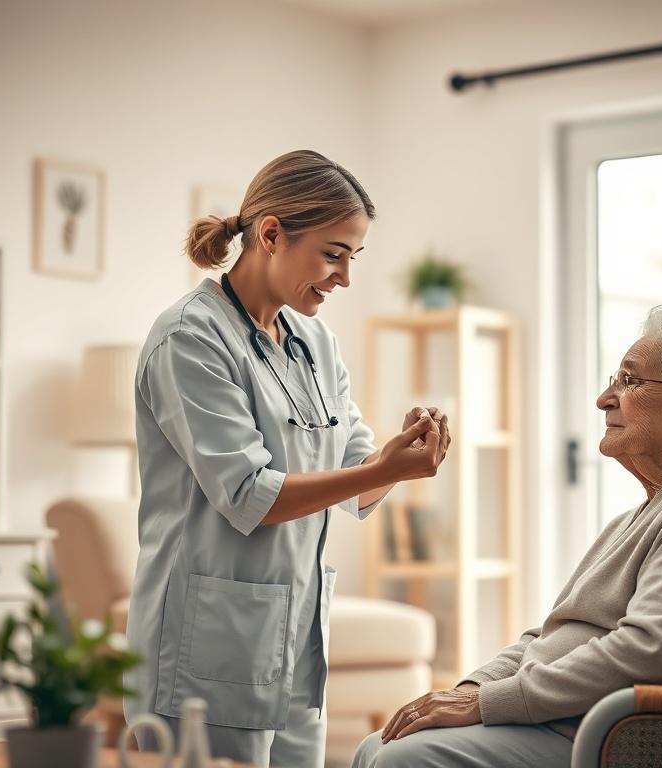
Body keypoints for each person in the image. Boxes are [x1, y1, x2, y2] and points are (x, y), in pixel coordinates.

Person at [353, 306, 662, 768]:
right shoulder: (653, 510)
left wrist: (488, 704)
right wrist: (472, 688)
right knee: (378, 745)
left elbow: (645, 654)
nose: (605, 398)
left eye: (630, 380)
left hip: (626, 740)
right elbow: (552, 633)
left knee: (404, 760)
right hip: (573, 722)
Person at [124, 150, 452, 767]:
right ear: (271, 234)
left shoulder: (315, 341)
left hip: (298, 643)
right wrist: (384, 469)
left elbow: (355, 482)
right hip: (206, 651)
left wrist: (399, 458)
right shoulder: (190, 339)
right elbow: (251, 494)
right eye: (333, 254)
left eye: (354, 258)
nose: (344, 278)